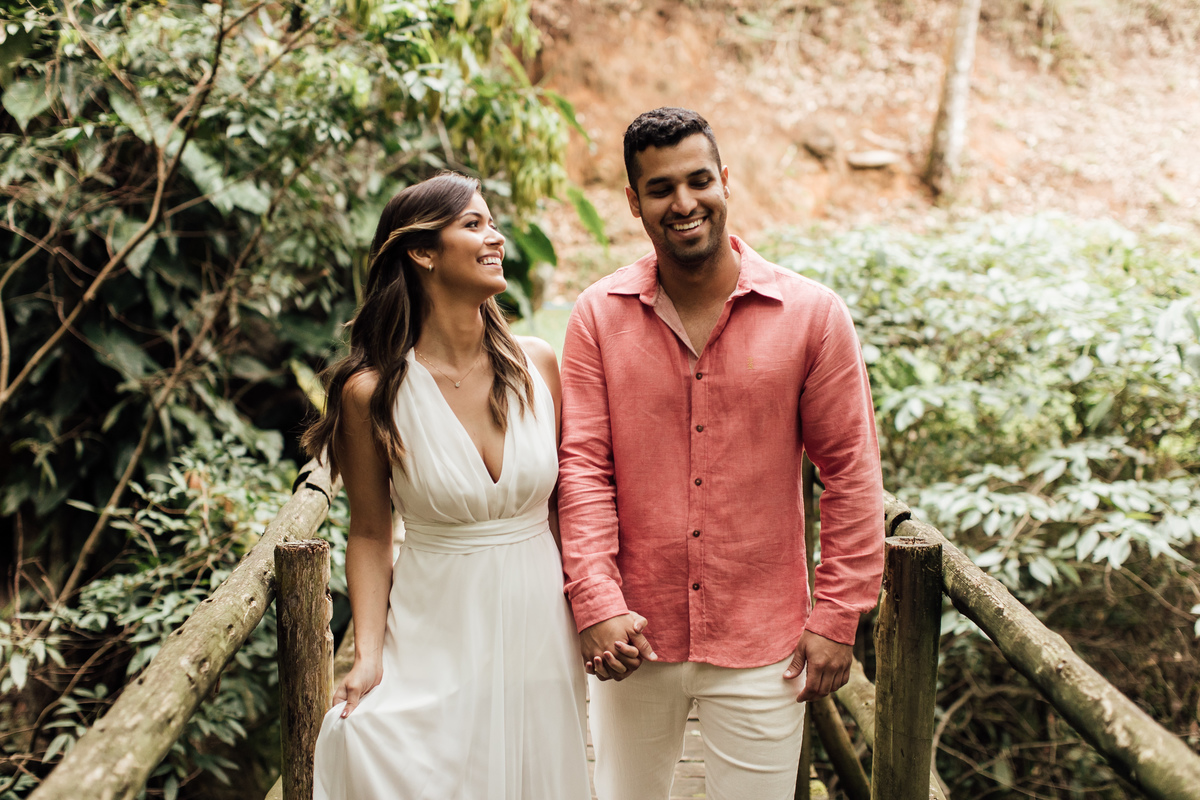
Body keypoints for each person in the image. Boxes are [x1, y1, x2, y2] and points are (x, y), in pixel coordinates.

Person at [557, 107, 885, 800]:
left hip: (764, 639)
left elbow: (850, 474)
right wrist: (595, 598)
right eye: (660, 188)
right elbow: (583, 467)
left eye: (698, 179)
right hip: (632, 634)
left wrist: (836, 617)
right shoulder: (596, 316)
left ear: (725, 180)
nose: (683, 203)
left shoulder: (813, 316)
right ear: (633, 202)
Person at [304, 172, 590, 800]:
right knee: (373, 740)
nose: (497, 239)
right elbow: (373, 532)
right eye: (474, 224)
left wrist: (594, 607)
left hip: (541, 615)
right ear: (423, 251)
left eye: (492, 224)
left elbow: (571, 505)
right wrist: (368, 655)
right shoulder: (372, 392)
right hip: (437, 620)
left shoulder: (539, 362)